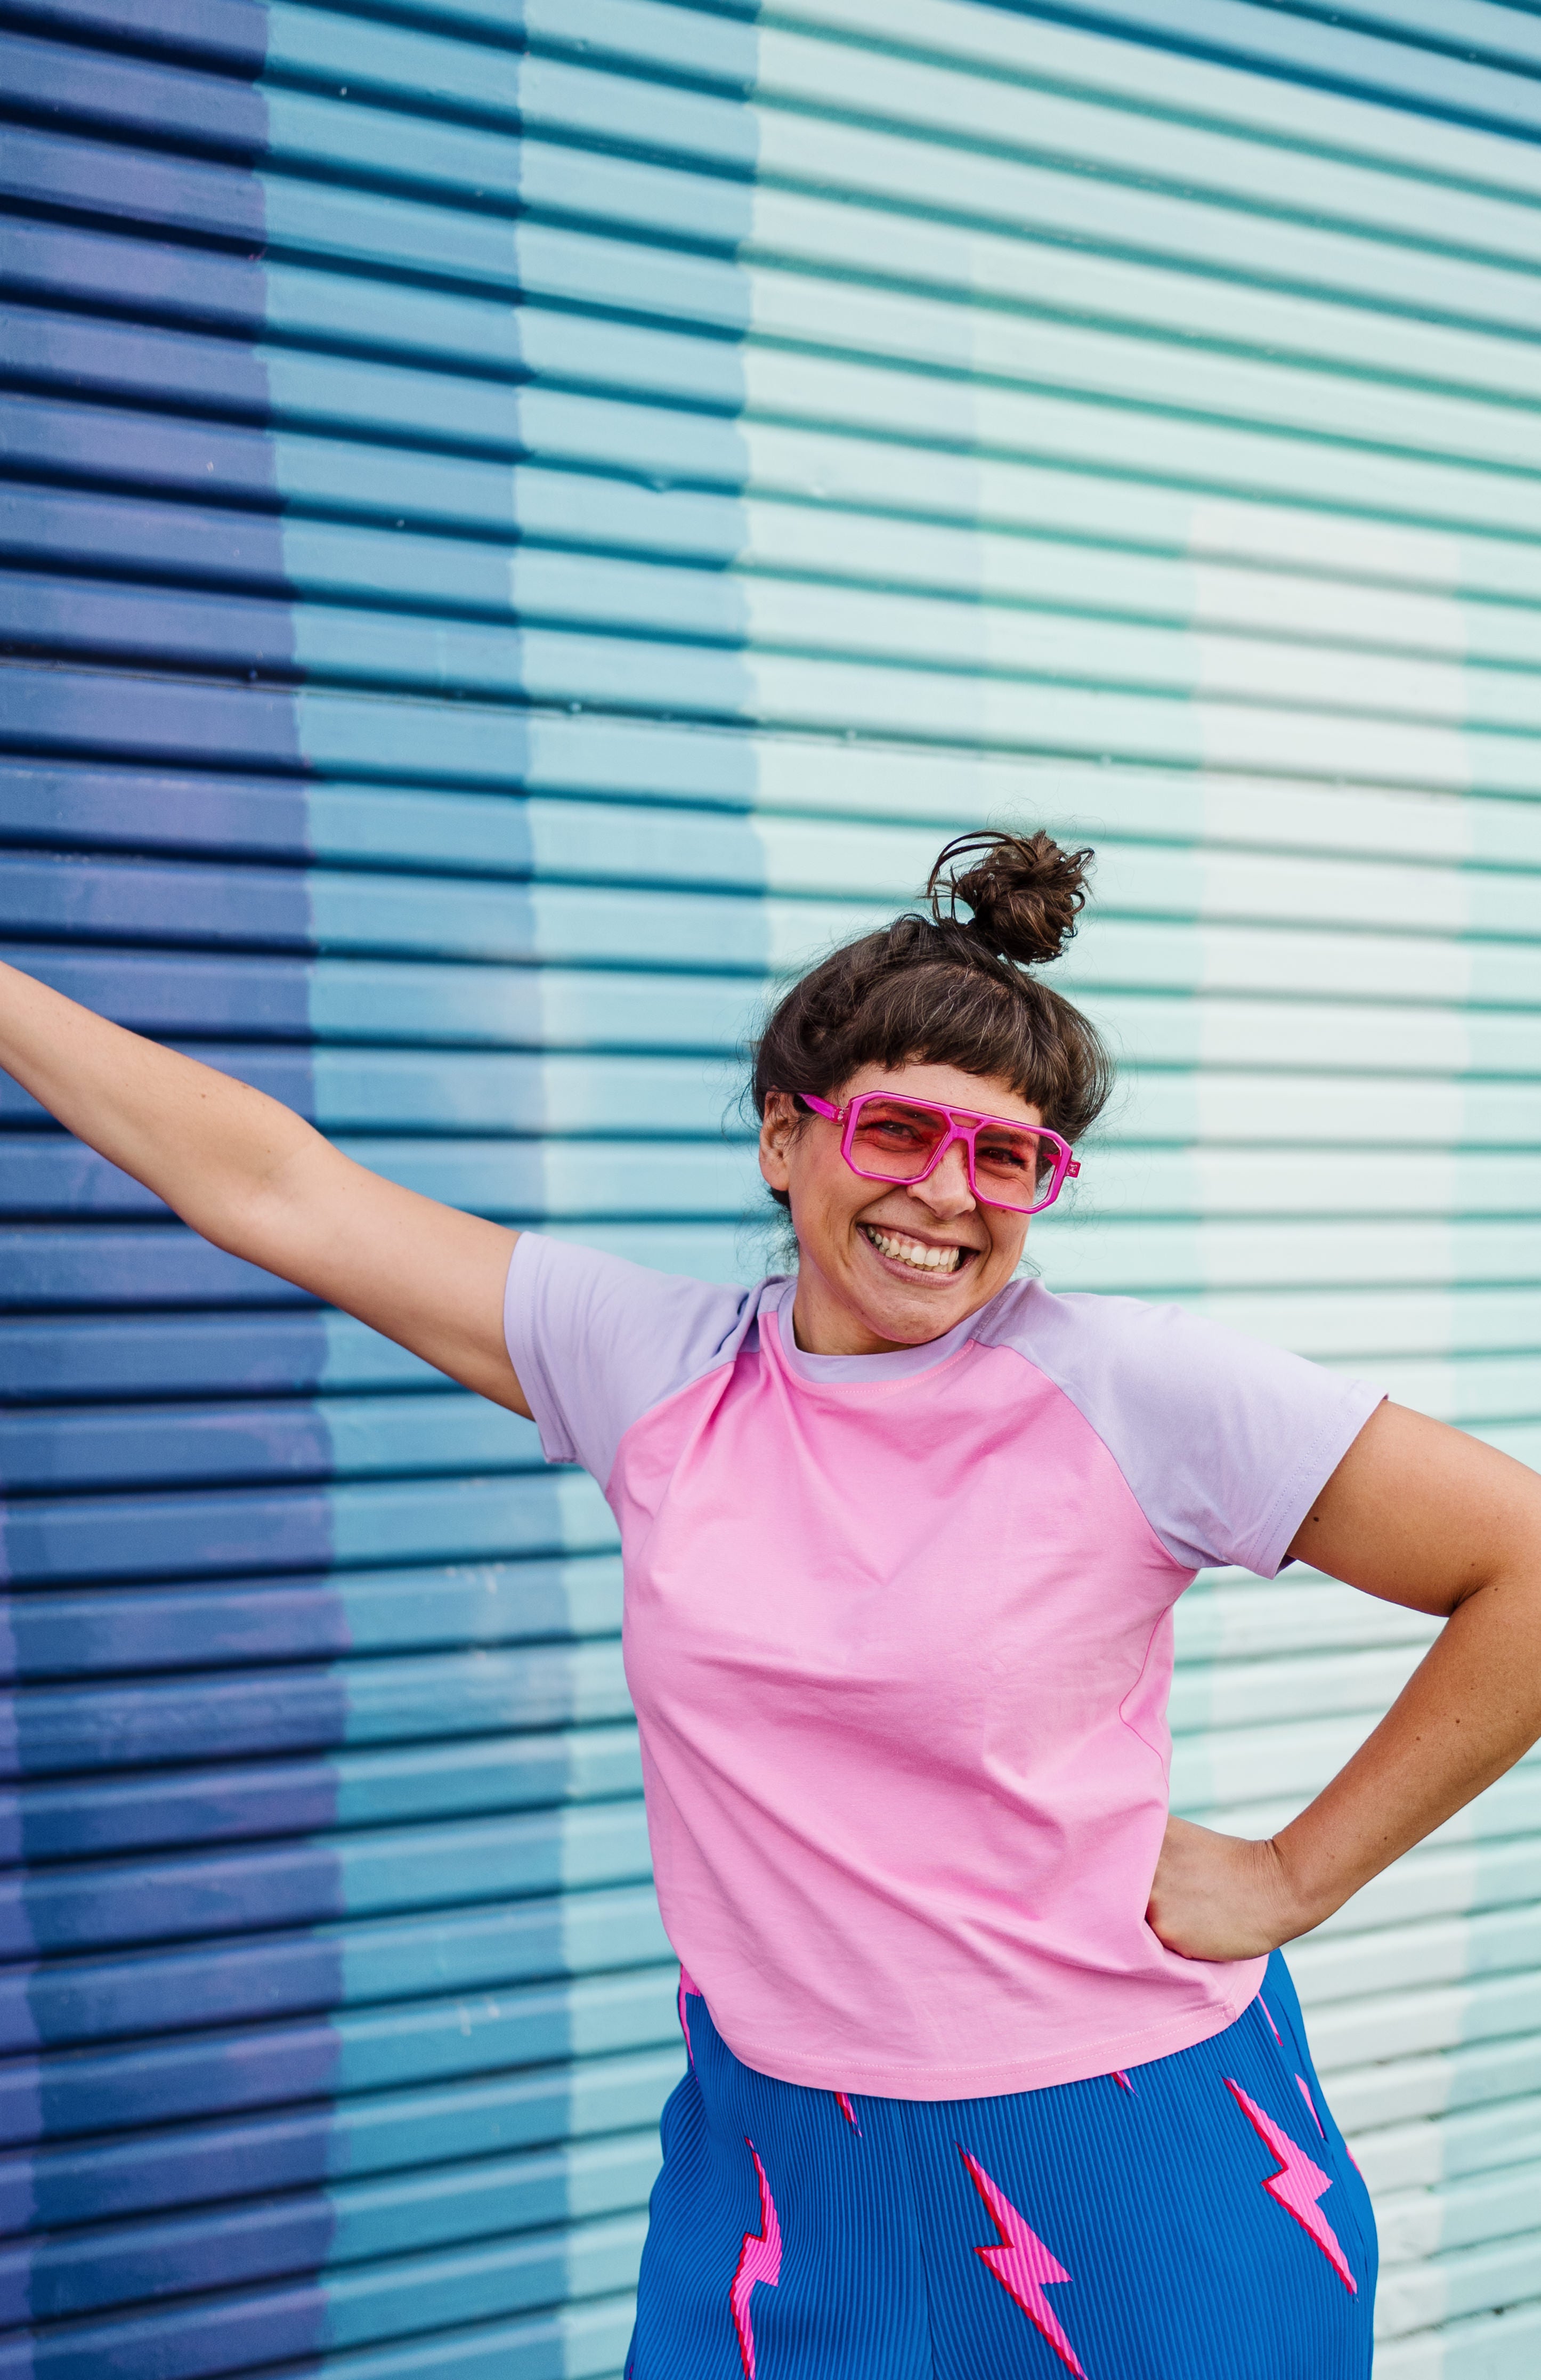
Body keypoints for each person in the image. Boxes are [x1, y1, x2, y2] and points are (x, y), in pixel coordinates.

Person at [4, 829, 1539, 2380]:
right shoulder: (655, 1369)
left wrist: (1290, 1873)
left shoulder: (1132, 1386)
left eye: (1004, 1157)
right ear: (781, 1137)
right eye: (894, 1131)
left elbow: (1523, 1559)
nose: (943, 1194)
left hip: (1128, 2145)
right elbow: (278, 1187)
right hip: (773, 2162)